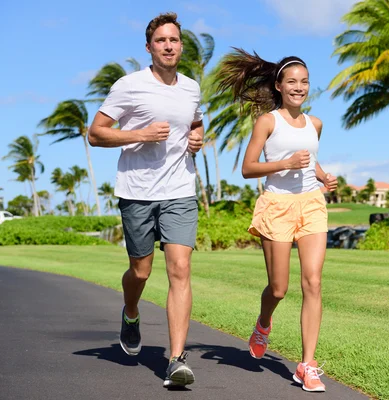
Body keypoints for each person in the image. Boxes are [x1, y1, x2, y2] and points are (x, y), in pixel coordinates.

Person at [88, 12, 203, 388]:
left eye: (174, 40)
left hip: (180, 191)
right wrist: (139, 134)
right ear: (149, 48)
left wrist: (197, 138)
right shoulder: (129, 86)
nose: (168, 46)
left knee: (180, 269)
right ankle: (132, 311)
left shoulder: (191, 88)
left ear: (181, 46)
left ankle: (176, 360)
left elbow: (194, 121)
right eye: (161, 41)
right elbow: (96, 134)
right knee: (141, 271)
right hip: (137, 192)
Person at [216, 48, 338, 392]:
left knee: (313, 282)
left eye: (305, 82)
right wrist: (285, 163)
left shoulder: (315, 123)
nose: (299, 87)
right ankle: (263, 322)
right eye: (292, 82)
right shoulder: (268, 121)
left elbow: (310, 160)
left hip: (311, 204)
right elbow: (247, 168)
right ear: (280, 86)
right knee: (280, 288)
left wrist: (324, 176)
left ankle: (307, 365)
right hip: (277, 207)